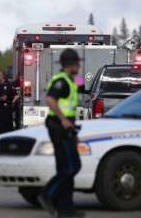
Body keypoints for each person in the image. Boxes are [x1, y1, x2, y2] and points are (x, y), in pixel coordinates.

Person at [38, 49, 84, 218]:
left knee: (69, 167)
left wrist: (72, 128)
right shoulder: (61, 81)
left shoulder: (73, 80)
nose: (79, 65)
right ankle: (46, 194)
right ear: (70, 65)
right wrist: (63, 119)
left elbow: (80, 90)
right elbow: (50, 99)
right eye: (77, 63)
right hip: (58, 127)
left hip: (68, 127)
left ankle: (66, 210)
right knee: (70, 167)